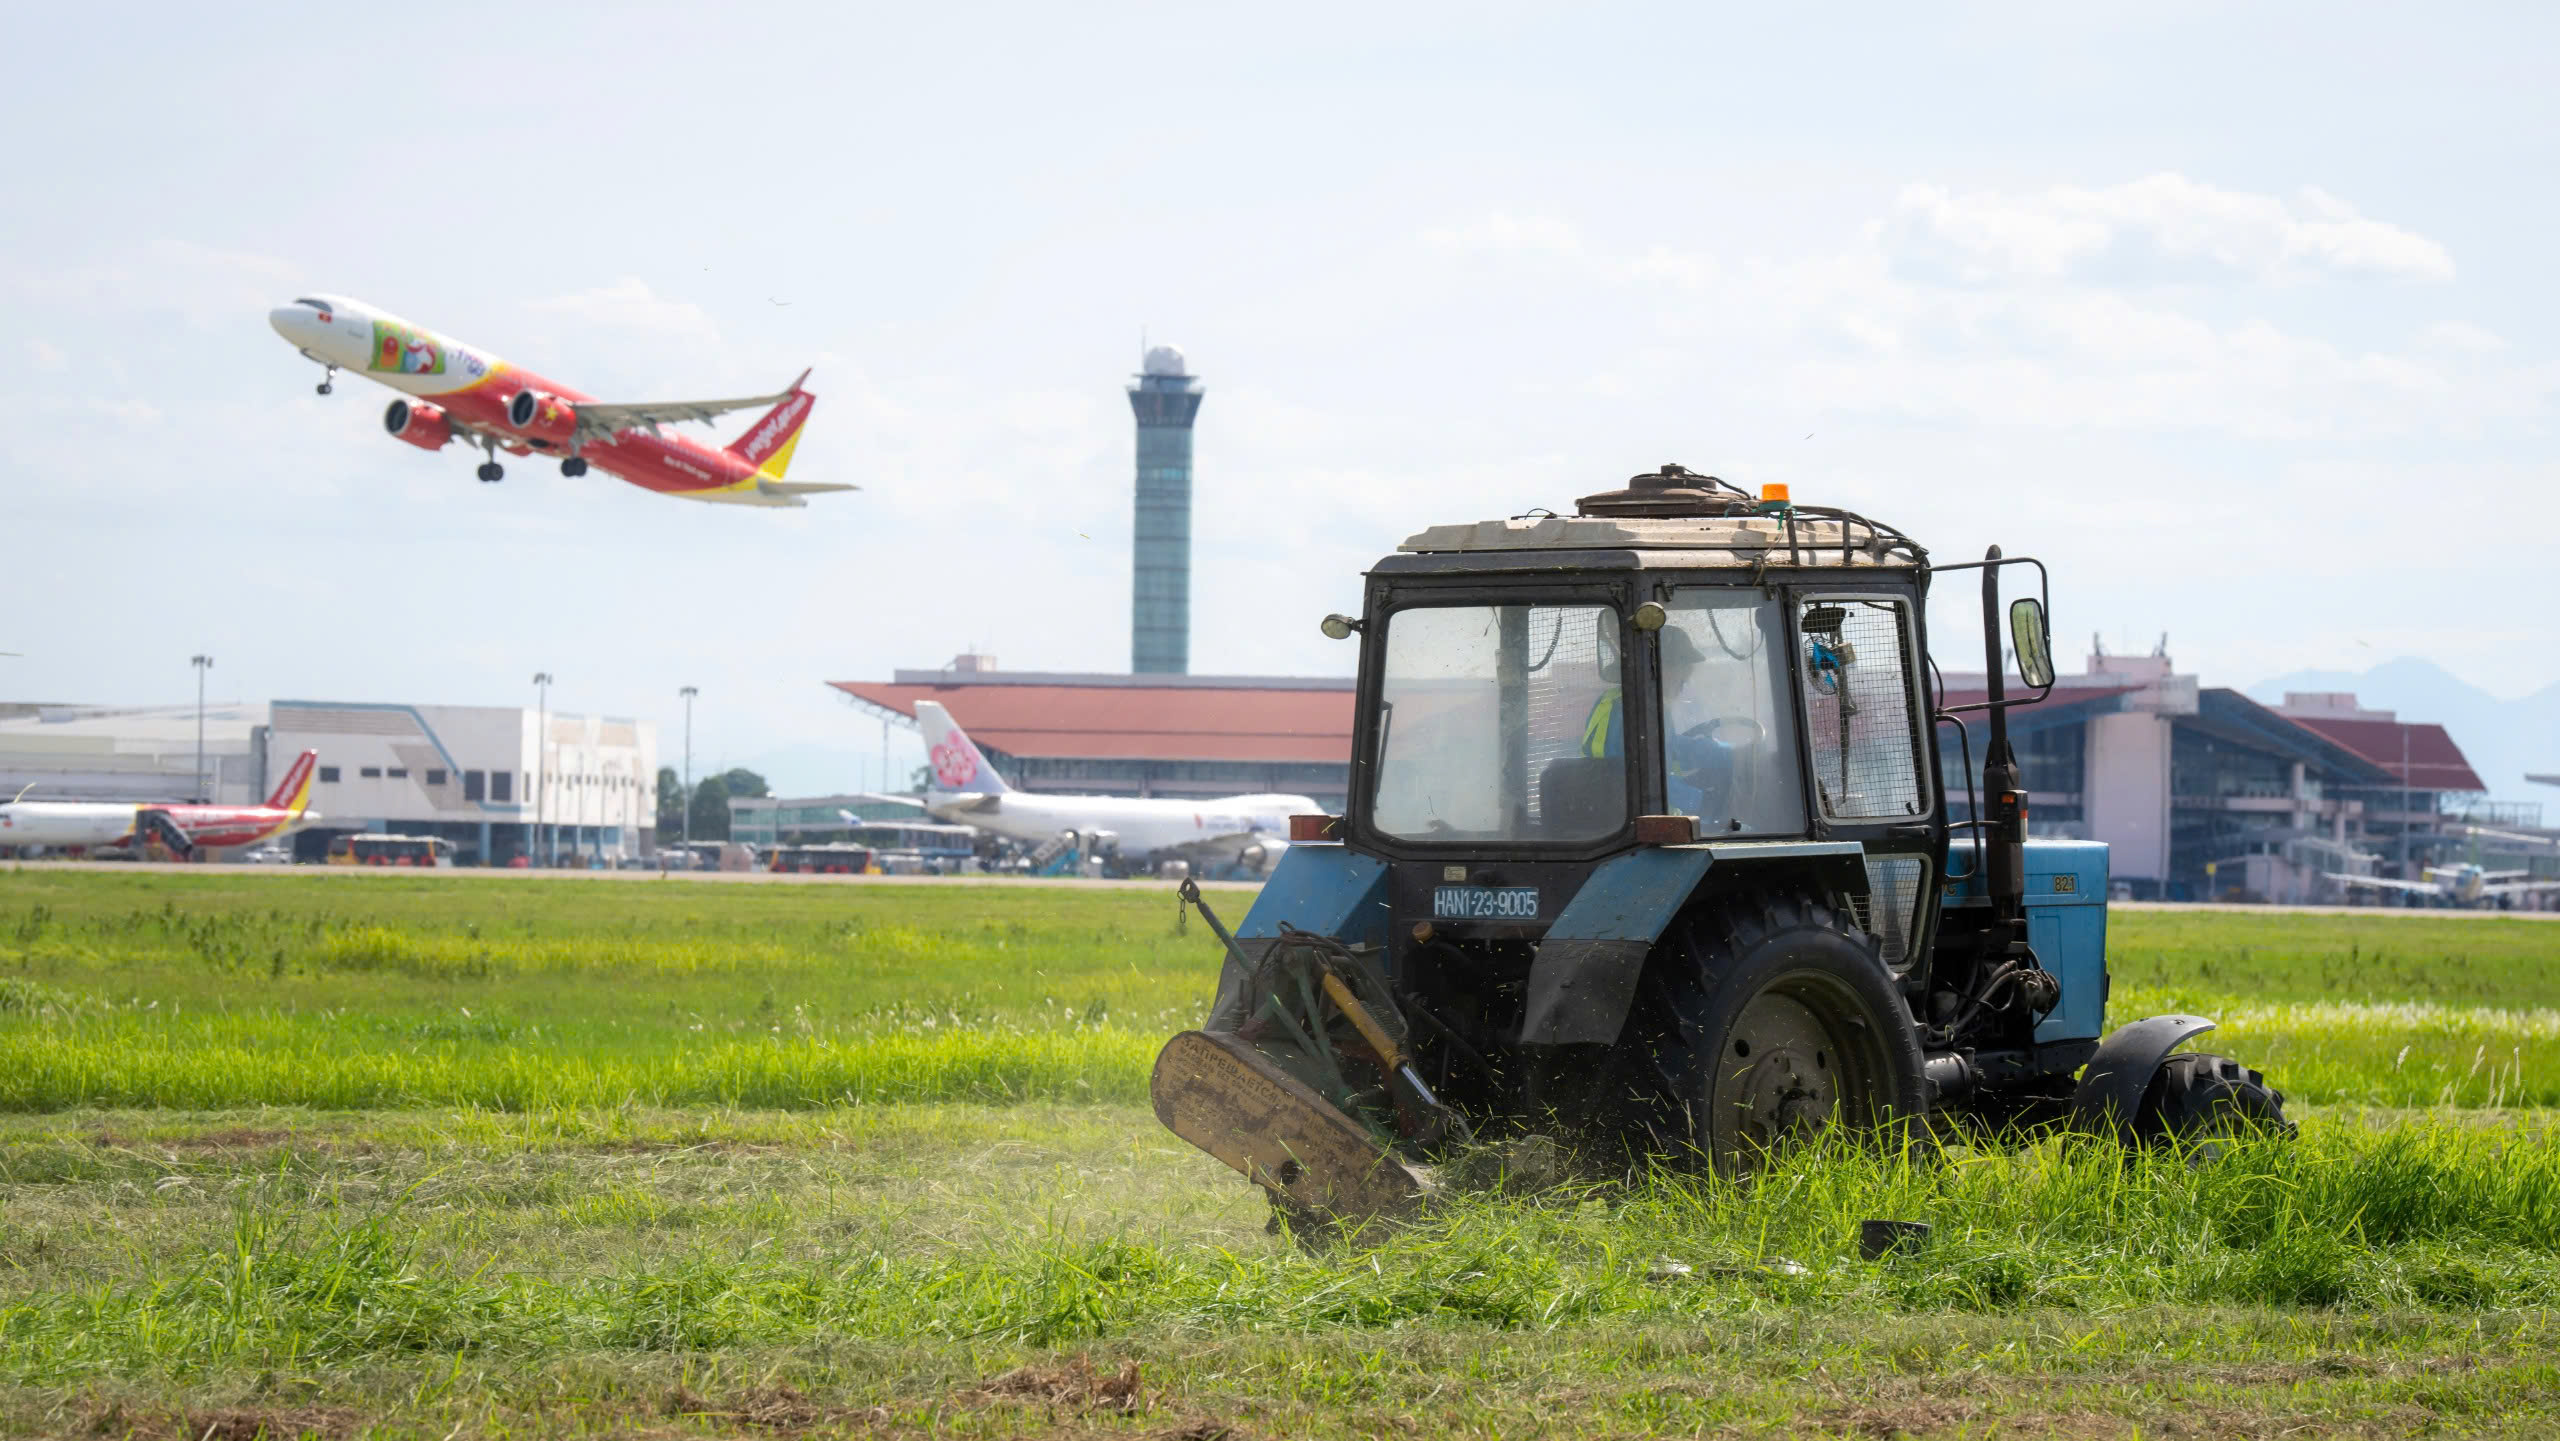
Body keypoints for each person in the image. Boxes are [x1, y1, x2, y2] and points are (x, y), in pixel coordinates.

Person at [1582, 623, 1735, 819]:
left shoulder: (1626, 702)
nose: (1684, 683)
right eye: (1682, 675)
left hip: (1621, 810)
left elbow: (1664, 746)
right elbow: (1637, 773)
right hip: (1627, 819)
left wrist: (1721, 751)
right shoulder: (1633, 710)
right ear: (1662, 668)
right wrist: (1701, 802)